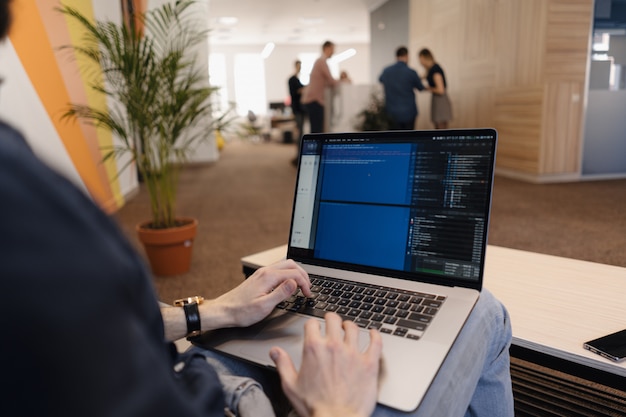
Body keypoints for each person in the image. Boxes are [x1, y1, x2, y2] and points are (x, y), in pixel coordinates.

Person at [0, 2, 514, 415]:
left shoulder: (21, 187)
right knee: (484, 310)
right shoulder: (24, 207)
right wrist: (335, 408)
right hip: (221, 396)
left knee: (311, 312)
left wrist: (214, 311)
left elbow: (101, 331)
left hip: (190, 371)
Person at [301, 40, 344, 133]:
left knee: (316, 129)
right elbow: (331, 81)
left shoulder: (320, 61)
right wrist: (343, 81)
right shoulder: (321, 62)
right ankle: (315, 148)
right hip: (314, 101)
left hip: (313, 100)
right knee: (317, 130)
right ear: (326, 48)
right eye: (332, 49)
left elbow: (327, 82)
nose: (333, 52)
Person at [378, 46, 425, 130]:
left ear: (396, 57)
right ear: (407, 56)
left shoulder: (386, 71)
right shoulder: (411, 72)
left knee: (394, 140)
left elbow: (380, 80)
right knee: (409, 139)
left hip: (391, 112)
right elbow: (421, 88)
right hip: (409, 112)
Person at [418, 48, 453, 129]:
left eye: (420, 60)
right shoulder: (430, 70)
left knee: (440, 128)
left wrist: (427, 88)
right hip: (437, 100)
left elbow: (441, 90)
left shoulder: (435, 70)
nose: (420, 63)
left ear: (423, 58)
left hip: (440, 100)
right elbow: (422, 77)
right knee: (438, 127)